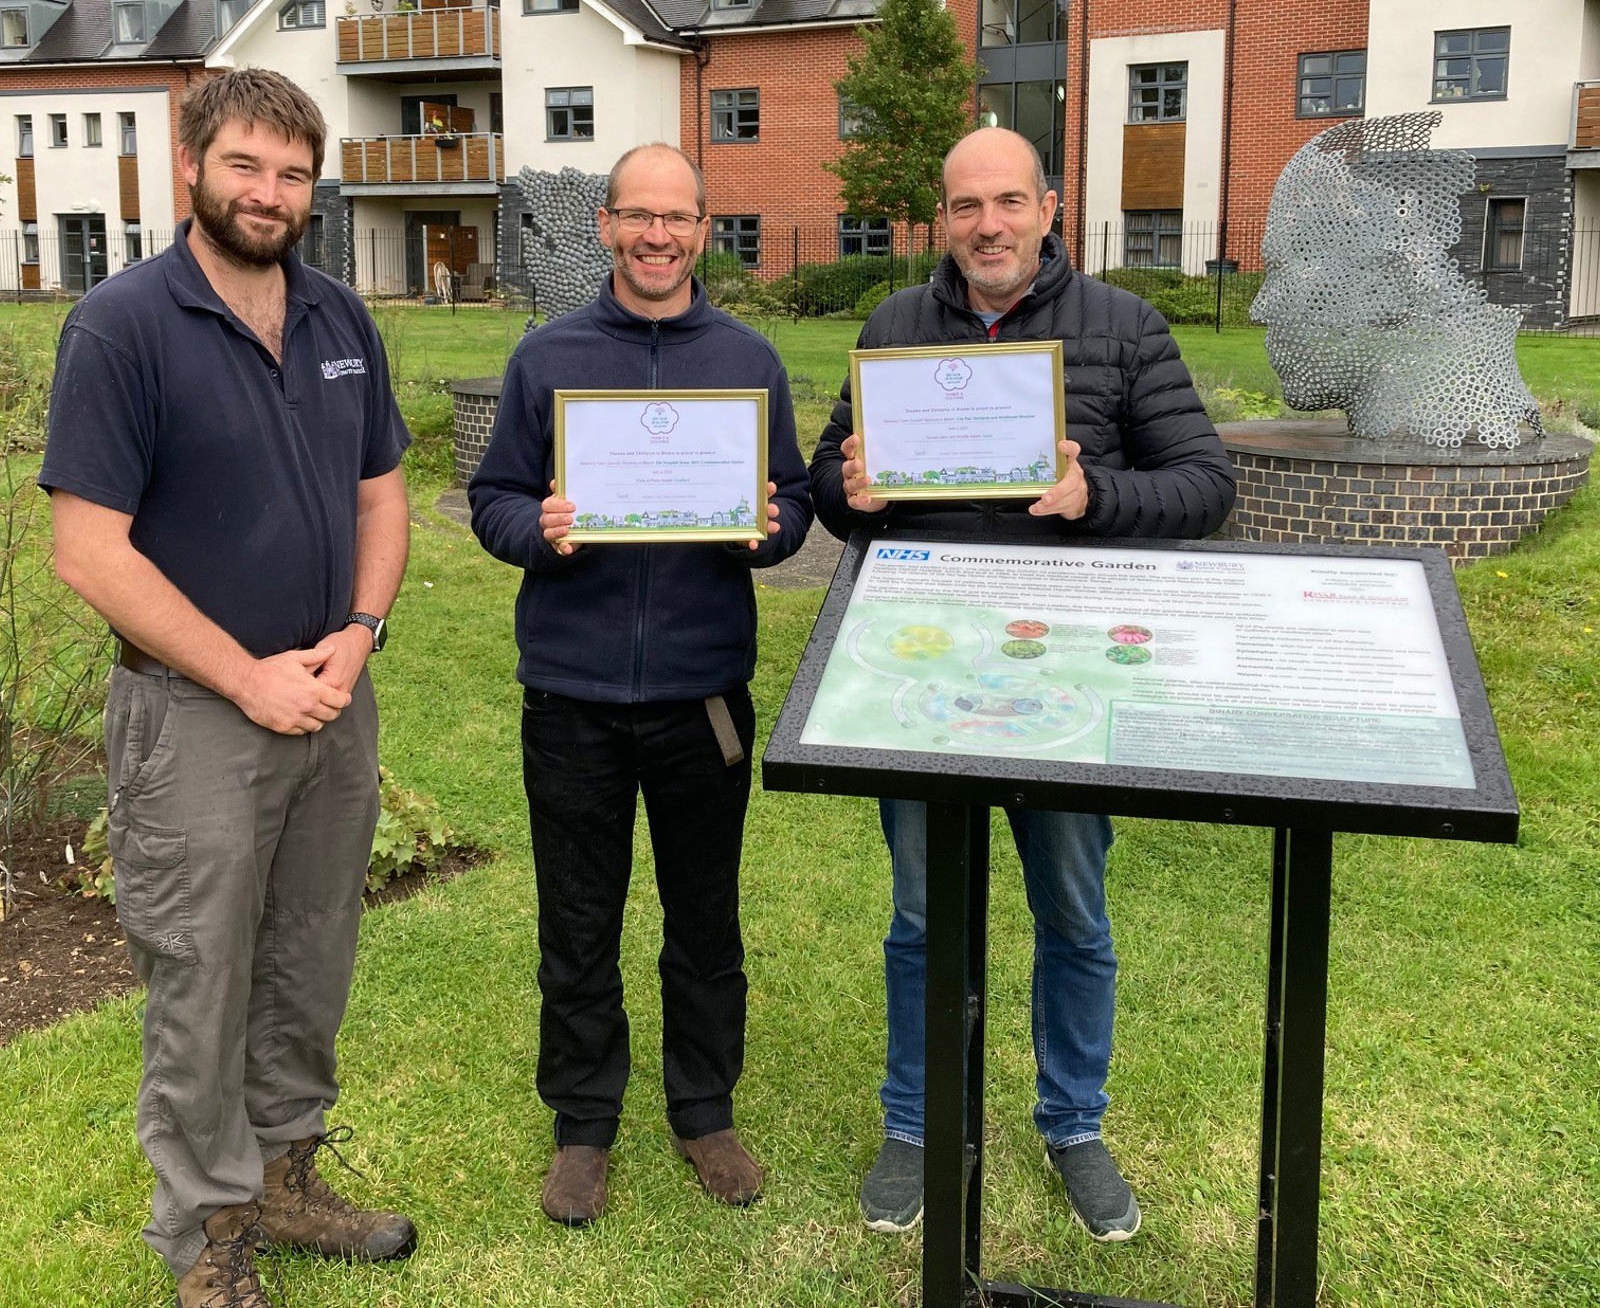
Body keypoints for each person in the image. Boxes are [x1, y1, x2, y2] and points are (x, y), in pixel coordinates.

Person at [811, 126, 1236, 1241]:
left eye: (1007, 201)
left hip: (1064, 678)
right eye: (964, 207)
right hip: (921, 679)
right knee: (918, 915)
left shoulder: (1123, 327)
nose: (986, 226)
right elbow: (828, 475)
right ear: (939, 220)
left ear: (1050, 206)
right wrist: (849, 489)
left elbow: (1203, 486)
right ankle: (915, 1120)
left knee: (1073, 912)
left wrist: (1093, 495)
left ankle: (1073, 1122)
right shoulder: (896, 326)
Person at [41, 69, 415, 1308]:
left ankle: (288, 1178)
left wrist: (358, 633)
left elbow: (381, 495)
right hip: (196, 716)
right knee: (201, 973)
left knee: (309, 954)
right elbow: (88, 548)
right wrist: (245, 678)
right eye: (246, 166)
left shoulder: (335, 317)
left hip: (329, 696)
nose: (269, 193)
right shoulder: (122, 324)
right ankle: (206, 1240)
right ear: (192, 163)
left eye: (293, 173)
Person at [469, 142, 812, 1227]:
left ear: (705, 231)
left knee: (703, 918)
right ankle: (582, 1125)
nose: (657, 235)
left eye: (679, 217)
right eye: (637, 216)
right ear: (607, 225)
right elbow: (494, 498)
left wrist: (768, 530)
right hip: (571, 695)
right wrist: (539, 528)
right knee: (577, 919)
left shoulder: (748, 359)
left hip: (701, 694)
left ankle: (703, 1109)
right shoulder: (548, 355)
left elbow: (794, 500)